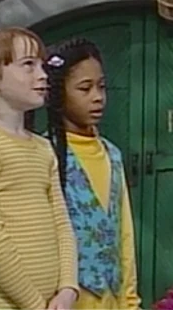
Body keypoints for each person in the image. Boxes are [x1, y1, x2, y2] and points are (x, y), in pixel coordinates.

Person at [0, 27, 79, 310]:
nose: (42, 75)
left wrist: (68, 288)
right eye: (28, 65)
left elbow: (62, 224)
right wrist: (35, 305)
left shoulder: (42, 148)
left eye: (42, 65)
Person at [44, 37, 141, 310]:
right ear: (58, 94)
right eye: (85, 89)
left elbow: (124, 236)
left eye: (101, 87)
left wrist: (130, 301)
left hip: (110, 299)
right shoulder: (45, 153)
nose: (97, 97)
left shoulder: (111, 154)